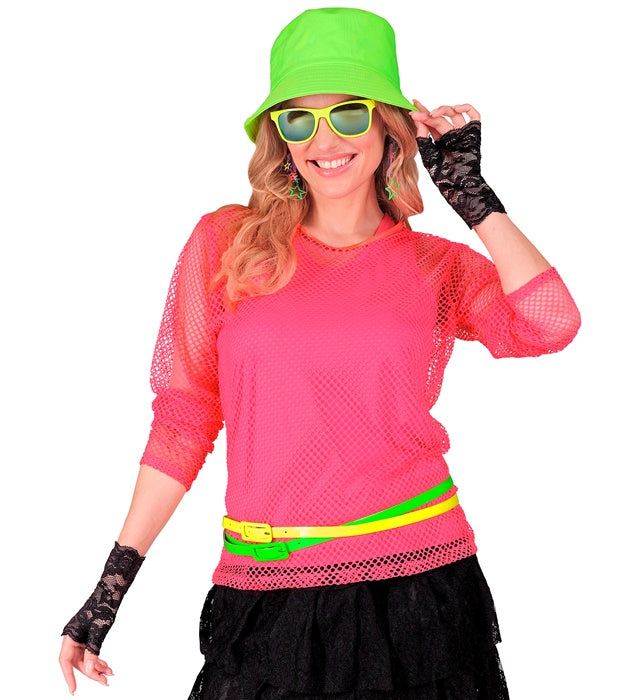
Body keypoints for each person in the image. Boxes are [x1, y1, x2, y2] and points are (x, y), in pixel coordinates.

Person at [59, 7, 581, 699]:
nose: (324, 139)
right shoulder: (227, 244)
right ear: (279, 135)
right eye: (299, 119)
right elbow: (184, 420)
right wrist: (108, 591)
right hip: (264, 587)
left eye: (349, 113)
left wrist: (474, 199)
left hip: (416, 583)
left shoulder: (434, 266)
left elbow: (551, 324)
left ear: (390, 127)